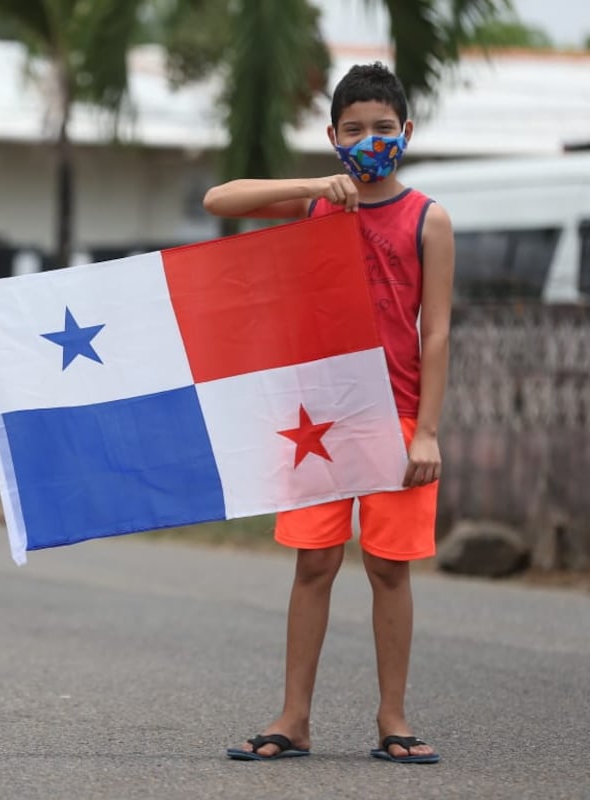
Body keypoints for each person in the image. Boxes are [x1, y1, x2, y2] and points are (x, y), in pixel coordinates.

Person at [202, 62, 454, 765]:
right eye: (354, 130)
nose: (369, 140)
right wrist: (317, 184)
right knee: (314, 563)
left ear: (406, 132)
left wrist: (427, 429)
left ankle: (394, 719)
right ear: (332, 137)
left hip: (396, 415)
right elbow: (219, 199)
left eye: (382, 128)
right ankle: (293, 718)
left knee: (388, 568)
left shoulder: (429, 219)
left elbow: (434, 331)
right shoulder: (319, 205)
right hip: (319, 418)